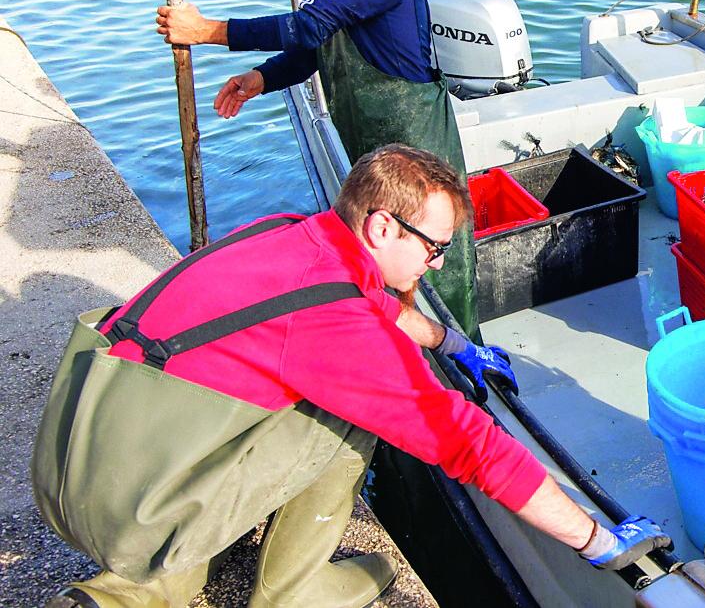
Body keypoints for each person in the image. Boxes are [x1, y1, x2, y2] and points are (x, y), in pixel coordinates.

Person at [41, 145, 670, 608]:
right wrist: (596, 540)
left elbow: (372, 304)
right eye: (434, 247)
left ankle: (132, 590)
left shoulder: (292, 233)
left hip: (80, 451)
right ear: (381, 226)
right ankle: (288, 592)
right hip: (126, 505)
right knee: (347, 413)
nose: (437, 263)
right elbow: (464, 440)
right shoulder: (331, 324)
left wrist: (451, 342)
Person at [154, 0, 480, 342]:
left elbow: (306, 25)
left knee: (434, 261)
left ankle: (460, 353)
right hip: (377, 145)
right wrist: (262, 77)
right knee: (384, 255)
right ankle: (395, 344)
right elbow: (319, 44)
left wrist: (207, 31)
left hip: (414, 139)